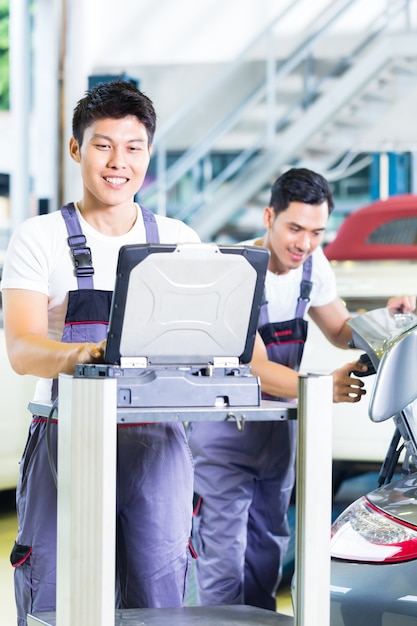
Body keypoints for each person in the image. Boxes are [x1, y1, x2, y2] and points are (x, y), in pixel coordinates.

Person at [1, 80, 201, 625]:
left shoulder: (180, 239)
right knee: (54, 592)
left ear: (148, 155)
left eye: (133, 147)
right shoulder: (38, 238)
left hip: (158, 440)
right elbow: (21, 347)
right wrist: (83, 356)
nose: (119, 162)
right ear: (76, 149)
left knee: (159, 593)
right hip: (68, 433)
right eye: (103, 145)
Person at [187, 167, 416, 612]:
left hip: (279, 436)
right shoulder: (236, 271)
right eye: (294, 228)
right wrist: (322, 387)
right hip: (225, 438)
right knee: (222, 559)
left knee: (268, 550)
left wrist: (383, 316)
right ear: (269, 216)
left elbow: (338, 329)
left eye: (316, 232)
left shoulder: (313, 264)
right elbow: (252, 366)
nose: (304, 243)